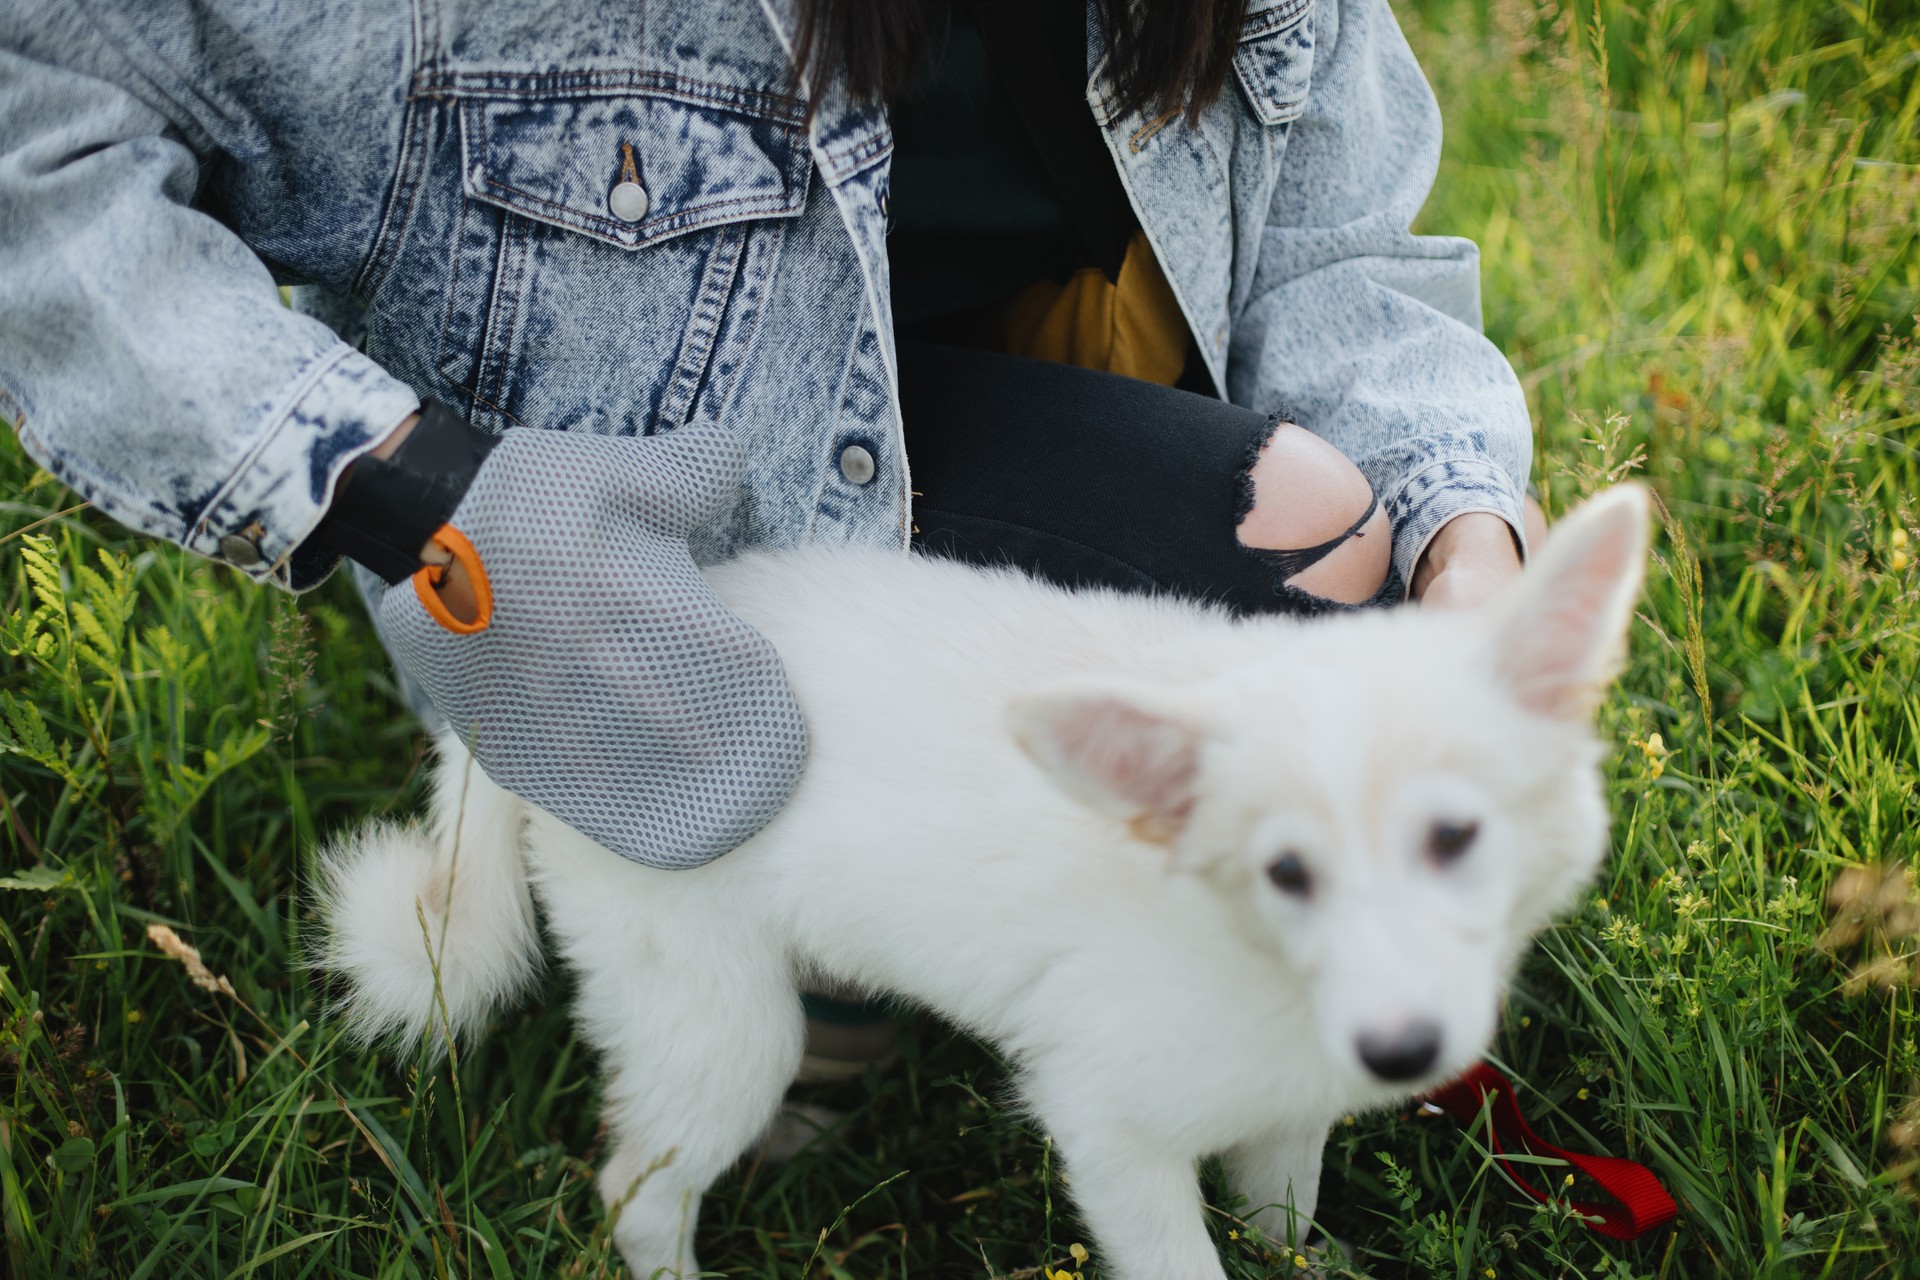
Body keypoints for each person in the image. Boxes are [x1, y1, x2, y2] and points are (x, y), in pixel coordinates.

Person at [0, 0, 1532, 1072]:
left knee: (1336, 543)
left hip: (1006, 392)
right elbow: (39, 118)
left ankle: (908, 888)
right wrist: (405, 486)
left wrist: (1470, 535)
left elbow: (1343, 250)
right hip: (638, 565)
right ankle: (760, 904)